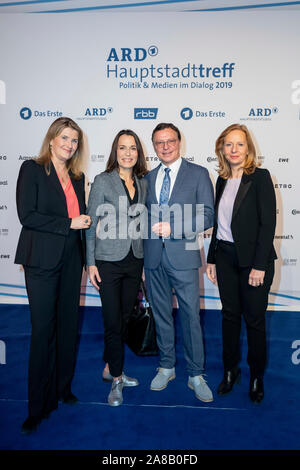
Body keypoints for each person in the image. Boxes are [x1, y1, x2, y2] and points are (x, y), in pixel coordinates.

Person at [15, 117, 91, 434]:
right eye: (64, 138)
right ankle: (37, 406)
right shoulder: (32, 169)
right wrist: (68, 224)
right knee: (43, 330)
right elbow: (27, 215)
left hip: (72, 261)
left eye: (74, 140)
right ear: (51, 139)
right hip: (41, 262)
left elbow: (82, 219)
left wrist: (89, 259)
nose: (69, 145)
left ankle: (62, 389)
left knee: (67, 326)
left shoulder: (77, 176)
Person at [144, 123, 215, 402]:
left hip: (183, 256)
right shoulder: (147, 177)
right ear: (154, 145)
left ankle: (196, 374)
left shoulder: (198, 174)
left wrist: (175, 228)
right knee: (161, 315)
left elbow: (208, 215)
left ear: (179, 142)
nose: (165, 146)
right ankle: (166, 366)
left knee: (190, 317)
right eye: (159, 142)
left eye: (170, 141)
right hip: (152, 258)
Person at [206, 123, 277, 403]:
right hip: (224, 257)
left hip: (253, 263)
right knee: (229, 317)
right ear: (221, 148)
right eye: (228, 144)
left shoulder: (259, 177)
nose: (234, 149)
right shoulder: (221, 179)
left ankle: (256, 376)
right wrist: (211, 259)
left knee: (255, 321)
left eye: (240, 144)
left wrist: (259, 266)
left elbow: (267, 224)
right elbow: (218, 223)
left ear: (248, 149)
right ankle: (230, 370)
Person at [86, 129, 148, 407]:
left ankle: (111, 367)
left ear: (138, 152)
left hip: (134, 260)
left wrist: (144, 262)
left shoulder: (143, 183)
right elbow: (89, 225)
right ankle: (117, 378)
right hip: (107, 261)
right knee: (112, 320)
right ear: (115, 151)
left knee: (124, 318)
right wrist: (90, 263)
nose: (127, 153)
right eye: (122, 148)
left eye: (132, 148)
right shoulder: (103, 181)